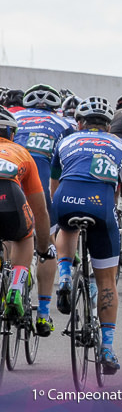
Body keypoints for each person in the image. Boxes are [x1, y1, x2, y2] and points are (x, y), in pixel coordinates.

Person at [52, 96, 122, 375]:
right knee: (106, 281)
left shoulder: (66, 142)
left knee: (66, 225)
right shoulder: (120, 145)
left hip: (64, 200)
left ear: (80, 122)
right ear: (108, 126)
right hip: (100, 207)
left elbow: (54, 185)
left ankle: (65, 276)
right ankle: (106, 348)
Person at [13, 83, 74, 336]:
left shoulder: (14, 117)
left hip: (9, 181)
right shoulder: (63, 124)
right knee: (46, 245)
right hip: (40, 184)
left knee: (10, 235)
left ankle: (10, 281)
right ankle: (44, 314)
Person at [0, 108, 54, 324]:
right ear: (12, 134)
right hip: (10, 195)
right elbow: (40, 209)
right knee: (24, 236)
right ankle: (15, 286)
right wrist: (42, 247)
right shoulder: (22, 152)